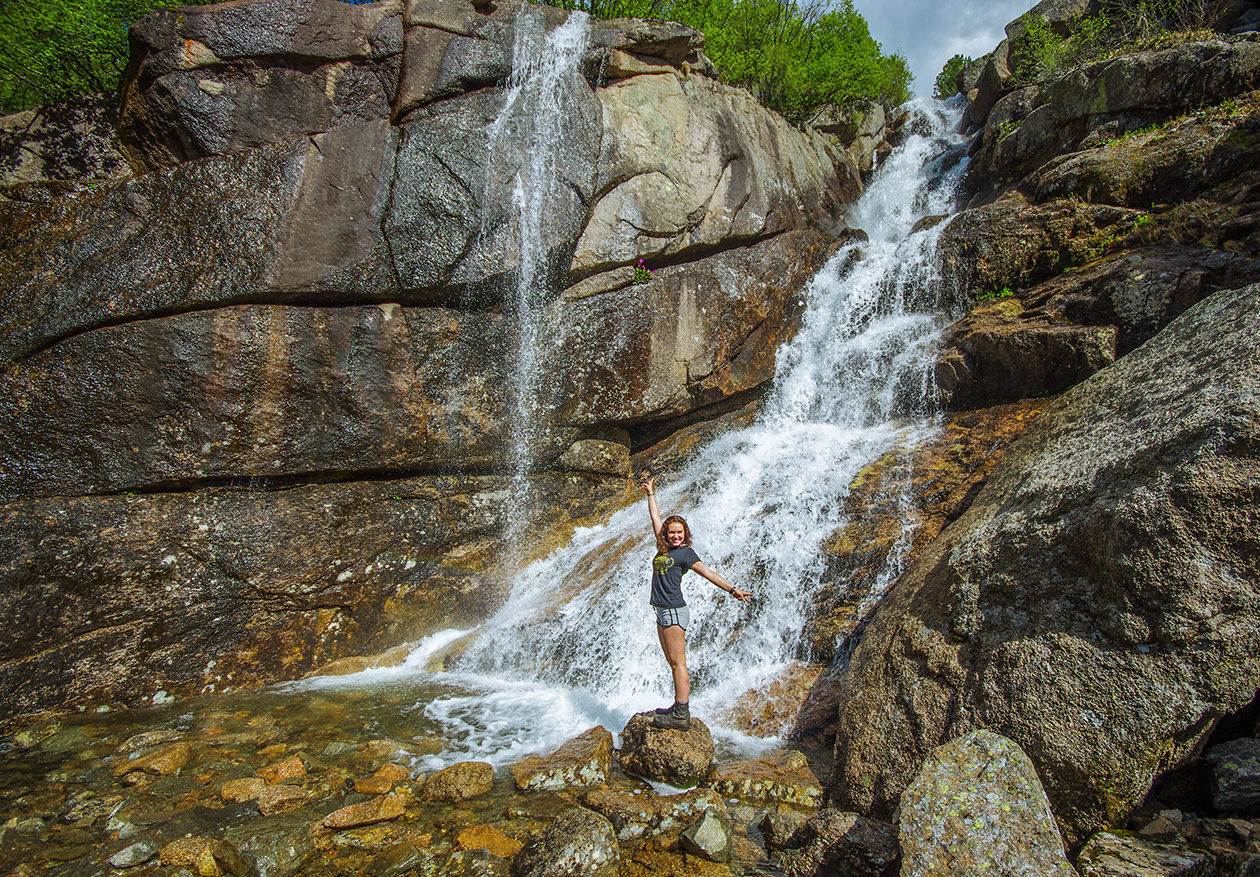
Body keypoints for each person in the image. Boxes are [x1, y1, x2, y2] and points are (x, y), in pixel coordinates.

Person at [641, 476, 752, 730]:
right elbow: (656, 519)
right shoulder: (663, 549)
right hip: (662, 611)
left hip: (674, 612)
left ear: (685, 534)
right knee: (672, 661)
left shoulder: (686, 553)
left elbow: (709, 573)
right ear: (667, 535)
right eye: (672, 532)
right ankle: (677, 705)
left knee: (679, 662)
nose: (676, 536)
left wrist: (732, 589)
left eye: (680, 532)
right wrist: (650, 494)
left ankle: (681, 714)